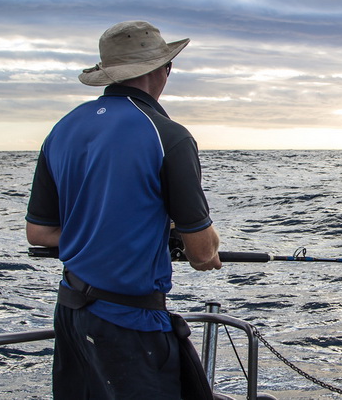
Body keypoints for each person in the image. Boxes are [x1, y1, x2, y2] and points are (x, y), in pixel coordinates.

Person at [25, 20, 221, 399]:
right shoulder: (170, 135)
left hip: (71, 316)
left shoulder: (62, 129)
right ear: (163, 70)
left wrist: (105, 237)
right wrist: (200, 243)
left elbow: (40, 233)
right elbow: (201, 252)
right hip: (130, 323)